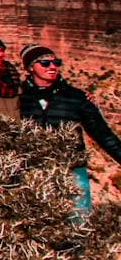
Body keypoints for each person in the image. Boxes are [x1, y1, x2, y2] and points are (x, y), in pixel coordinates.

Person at [18, 44, 121, 214]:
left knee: (78, 221)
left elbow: (102, 134)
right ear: (30, 67)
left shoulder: (75, 97)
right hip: (34, 169)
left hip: (73, 168)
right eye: (44, 63)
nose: (52, 67)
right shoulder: (19, 97)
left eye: (56, 62)